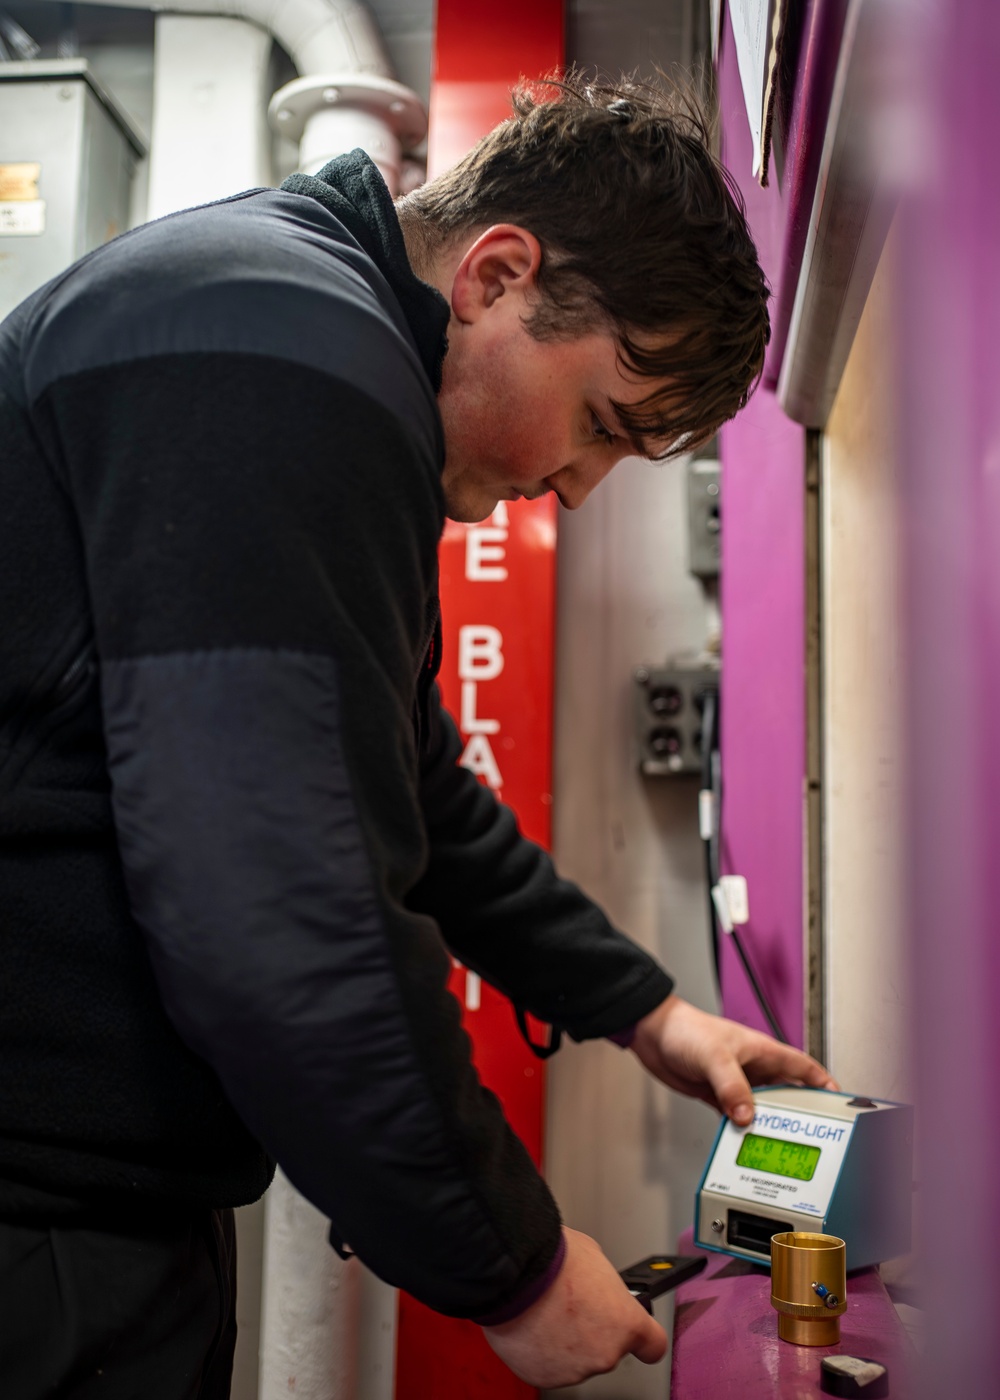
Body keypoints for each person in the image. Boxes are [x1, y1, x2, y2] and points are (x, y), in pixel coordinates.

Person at [0, 74, 836, 1396]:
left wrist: (650, 1012)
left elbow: (411, 787)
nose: (573, 482)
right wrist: (508, 1262)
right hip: (36, 1240)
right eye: (601, 424)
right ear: (499, 275)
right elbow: (272, 903)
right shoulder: (287, 355)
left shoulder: (282, 317)